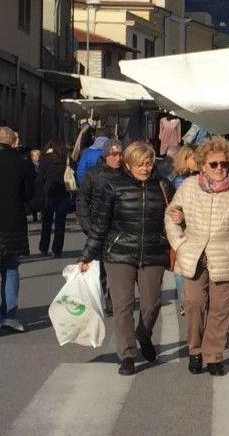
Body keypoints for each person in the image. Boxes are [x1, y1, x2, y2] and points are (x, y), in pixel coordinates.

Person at [166, 136, 229, 376]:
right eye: (214, 164)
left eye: (224, 164)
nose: (220, 169)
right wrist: (179, 242)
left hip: (225, 254)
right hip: (194, 254)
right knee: (194, 303)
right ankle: (195, 350)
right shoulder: (188, 187)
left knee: (221, 308)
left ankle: (214, 354)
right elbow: (171, 214)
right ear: (202, 165)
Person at [77, 141, 170, 376]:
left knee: (151, 305)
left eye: (148, 163)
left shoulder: (163, 186)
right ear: (128, 165)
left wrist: (177, 216)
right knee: (123, 306)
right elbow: (100, 225)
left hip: (152, 252)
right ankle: (127, 354)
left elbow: (175, 217)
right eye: (139, 164)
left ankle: (144, 334)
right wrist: (88, 255)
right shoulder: (113, 186)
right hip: (119, 253)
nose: (145, 168)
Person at [76, 139, 123, 313]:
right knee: (99, 266)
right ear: (105, 155)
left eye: (120, 154)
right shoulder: (93, 173)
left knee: (118, 266)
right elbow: (82, 199)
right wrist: (86, 224)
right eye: (114, 154)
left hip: (120, 227)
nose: (118, 158)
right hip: (97, 227)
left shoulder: (126, 174)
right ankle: (99, 296)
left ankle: (113, 297)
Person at [0, 127, 32, 332]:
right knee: (11, 269)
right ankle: (10, 315)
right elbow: (29, 194)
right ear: (13, 142)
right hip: (13, 223)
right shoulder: (22, 163)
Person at [169, 144, 198, 314]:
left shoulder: (201, 178)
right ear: (185, 159)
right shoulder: (176, 179)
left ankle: (189, 299)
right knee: (180, 266)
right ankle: (184, 301)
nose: (196, 161)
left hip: (194, 226)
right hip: (179, 227)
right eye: (193, 157)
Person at [36, 142, 70, 258]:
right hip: (64, 193)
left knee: (47, 222)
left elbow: (39, 177)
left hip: (49, 193)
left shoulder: (45, 159)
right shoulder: (66, 159)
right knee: (60, 224)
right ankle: (57, 250)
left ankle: (44, 247)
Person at [28, 149, 40, 222]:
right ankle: (34, 214)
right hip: (33, 183)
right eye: (35, 156)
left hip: (40, 184)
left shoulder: (42, 163)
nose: (36, 157)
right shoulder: (30, 165)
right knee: (33, 201)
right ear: (32, 157)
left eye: (38, 155)